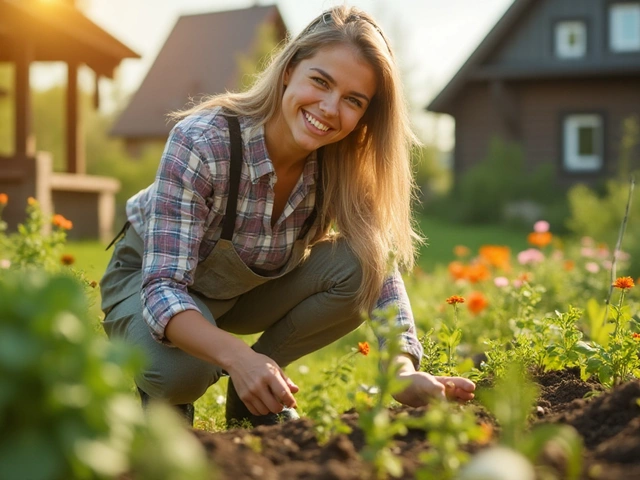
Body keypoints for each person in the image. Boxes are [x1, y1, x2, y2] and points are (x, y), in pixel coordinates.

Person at [100, 5, 475, 428]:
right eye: (321, 81)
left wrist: (401, 370)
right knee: (180, 373)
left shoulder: (344, 164)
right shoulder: (203, 142)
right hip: (152, 279)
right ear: (288, 70)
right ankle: (175, 401)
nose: (330, 109)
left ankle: (258, 396)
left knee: (361, 265)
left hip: (243, 288)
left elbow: (380, 272)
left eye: (353, 100)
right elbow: (164, 287)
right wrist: (238, 356)